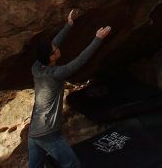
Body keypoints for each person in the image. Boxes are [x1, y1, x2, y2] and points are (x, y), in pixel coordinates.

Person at [28, 9, 112, 168]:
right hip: (48, 132)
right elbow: (80, 60)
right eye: (55, 50)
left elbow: (54, 43)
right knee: (72, 164)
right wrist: (97, 39)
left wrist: (69, 25)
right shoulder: (56, 74)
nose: (57, 47)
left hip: (34, 132)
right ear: (52, 57)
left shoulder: (36, 68)